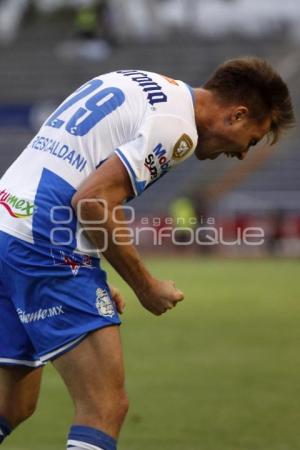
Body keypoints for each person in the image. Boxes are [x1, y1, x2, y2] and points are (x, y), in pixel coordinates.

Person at [0, 58, 294, 449]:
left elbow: (84, 172)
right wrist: (145, 285)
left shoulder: (145, 83)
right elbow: (90, 200)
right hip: (44, 244)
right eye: (252, 140)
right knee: (105, 406)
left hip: (8, 220)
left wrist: (94, 272)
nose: (243, 154)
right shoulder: (179, 129)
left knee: (12, 404)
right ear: (237, 115)